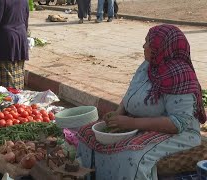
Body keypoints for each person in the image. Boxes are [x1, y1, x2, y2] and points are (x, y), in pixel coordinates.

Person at [77, 24, 206, 179]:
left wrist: (130, 124)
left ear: (161, 47)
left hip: (180, 135)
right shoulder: (149, 65)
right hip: (138, 124)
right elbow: (132, 92)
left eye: (148, 43)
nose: (144, 46)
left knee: (130, 155)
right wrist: (118, 113)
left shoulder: (180, 75)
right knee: (86, 133)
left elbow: (178, 123)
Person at [0, 0, 29, 89]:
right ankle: (18, 96)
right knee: (18, 71)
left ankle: (10, 98)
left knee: (7, 73)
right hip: (21, 36)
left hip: (5, 39)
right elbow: (26, 18)